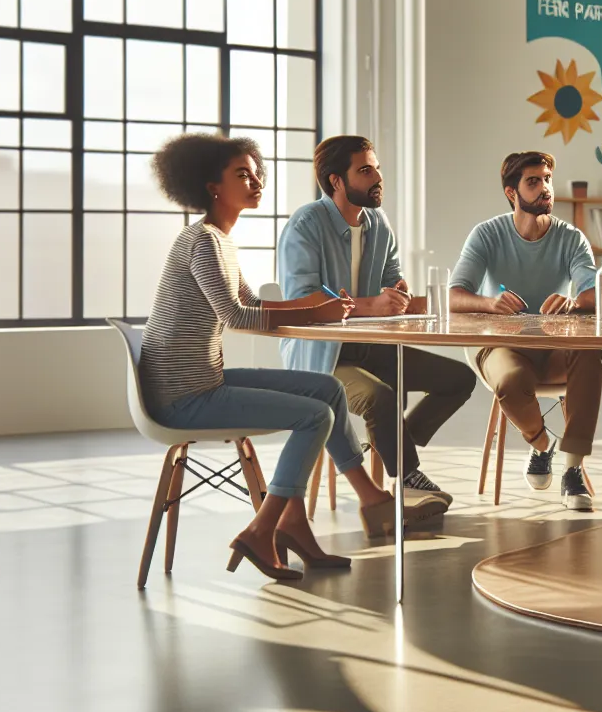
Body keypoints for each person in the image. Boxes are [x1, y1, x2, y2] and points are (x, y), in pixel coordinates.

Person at [139, 133, 436, 582]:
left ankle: (347, 507)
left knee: (328, 388)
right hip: (185, 395)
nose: (257, 180)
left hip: (204, 379)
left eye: (257, 172)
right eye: (242, 174)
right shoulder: (202, 241)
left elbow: (254, 302)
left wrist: (314, 306)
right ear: (210, 185)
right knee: (315, 416)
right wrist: (316, 310)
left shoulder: (221, 240)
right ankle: (266, 528)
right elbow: (237, 314)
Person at [277, 136, 476, 507]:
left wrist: (398, 290)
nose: (377, 177)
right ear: (336, 181)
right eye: (365, 170)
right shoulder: (306, 224)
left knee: (459, 378)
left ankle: (395, 443)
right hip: (321, 356)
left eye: (377, 168)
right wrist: (372, 305)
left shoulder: (377, 222)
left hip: (370, 346)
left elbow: (392, 275)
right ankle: (408, 477)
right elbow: (302, 302)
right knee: (380, 399)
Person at [449, 151, 602, 511]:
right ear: (511, 192)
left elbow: (596, 291)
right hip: (500, 344)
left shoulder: (571, 238)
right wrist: (490, 303)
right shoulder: (487, 234)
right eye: (533, 182)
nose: (545, 188)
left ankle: (573, 468)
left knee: (589, 355)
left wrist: (574, 303)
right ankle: (541, 445)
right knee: (510, 378)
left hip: (554, 346)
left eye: (547, 179)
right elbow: (454, 294)